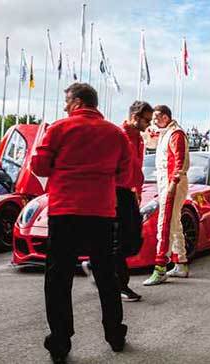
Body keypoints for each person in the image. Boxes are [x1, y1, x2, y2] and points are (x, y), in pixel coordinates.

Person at [31, 83, 130, 362]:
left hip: (65, 213)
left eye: (66, 101)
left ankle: (61, 342)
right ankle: (115, 334)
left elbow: (39, 167)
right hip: (101, 213)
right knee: (106, 275)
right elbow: (124, 174)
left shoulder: (59, 129)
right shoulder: (116, 133)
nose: (64, 107)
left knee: (59, 278)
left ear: (77, 101)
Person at [81, 101, 152, 302]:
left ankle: (97, 265)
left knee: (132, 240)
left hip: (128, 192)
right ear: (135, 117)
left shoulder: (138, 138)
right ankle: (120, 284)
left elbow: (135, 167)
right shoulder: (118, 134)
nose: (149, 124)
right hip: (116, 191)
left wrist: (137, 190)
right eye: (146, 120)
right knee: (121, 239)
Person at [143, 105, 190, 286]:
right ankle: (181, 263)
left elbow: (179, 162)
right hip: (167, 182)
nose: (153, 121)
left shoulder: (175, 134)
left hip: (172, 184)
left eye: (156, 117)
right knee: (175, 223)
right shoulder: (165, 133)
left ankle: (160, 267)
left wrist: (173, 184)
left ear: (164, 116)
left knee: (165, 224)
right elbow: (149, 142)